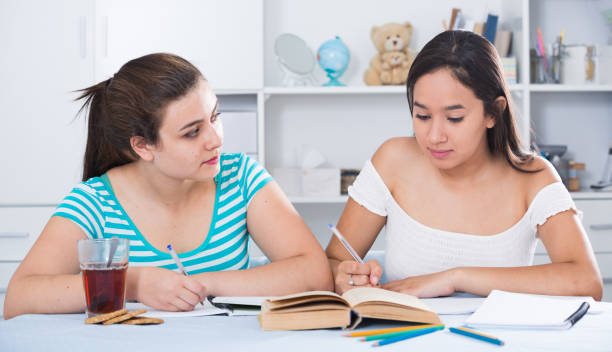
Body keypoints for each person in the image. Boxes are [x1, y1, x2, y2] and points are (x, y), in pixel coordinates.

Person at [4, 53, 333, 319]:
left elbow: (315, 274)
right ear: (143, 147)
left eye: (215, 117)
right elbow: (18, 298)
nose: (215, 139)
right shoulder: (96, 202)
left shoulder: (242, 178)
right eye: (192, 132)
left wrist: (198, 285)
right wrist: (133, 283)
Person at [326, 30, 603, 300]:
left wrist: (454, 278)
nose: (434, 137)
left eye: (454, 118)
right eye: (422, 116)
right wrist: (345, 275)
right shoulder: (393, 160)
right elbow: (334, 261)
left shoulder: (533, 177)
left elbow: (586, 281)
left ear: (493, 113)